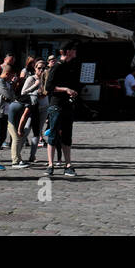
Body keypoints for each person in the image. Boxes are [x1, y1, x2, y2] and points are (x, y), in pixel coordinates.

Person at [46, 42, 81, 178]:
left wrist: (73, 91)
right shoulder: (56, 67)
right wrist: (65, 89)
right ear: (67, 51)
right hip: (56, 105)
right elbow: (49, 87)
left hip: (68, 105)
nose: (75, 51)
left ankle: (68, 165)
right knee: (54, 134)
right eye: (73, 49)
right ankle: (50, 164)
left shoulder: (71, 66)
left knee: (67, 135)